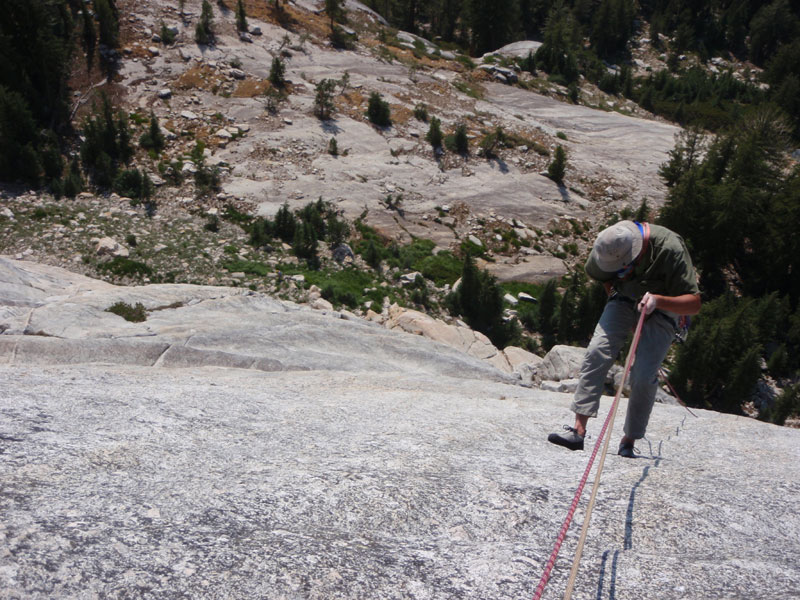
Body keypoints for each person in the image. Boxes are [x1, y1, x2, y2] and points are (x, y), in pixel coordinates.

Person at [547, 220, 701, 457]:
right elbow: (606, 279)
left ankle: (629, 439)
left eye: (623, 269)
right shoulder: (605, 250)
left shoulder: (670, 250)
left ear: (637, 253)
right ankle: (578, 431)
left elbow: (694, 303)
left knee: (643, 373)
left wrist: (657, 302)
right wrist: (623, 307)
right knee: (597, 351)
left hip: (665, 304)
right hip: (625, 296)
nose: (620, 272)